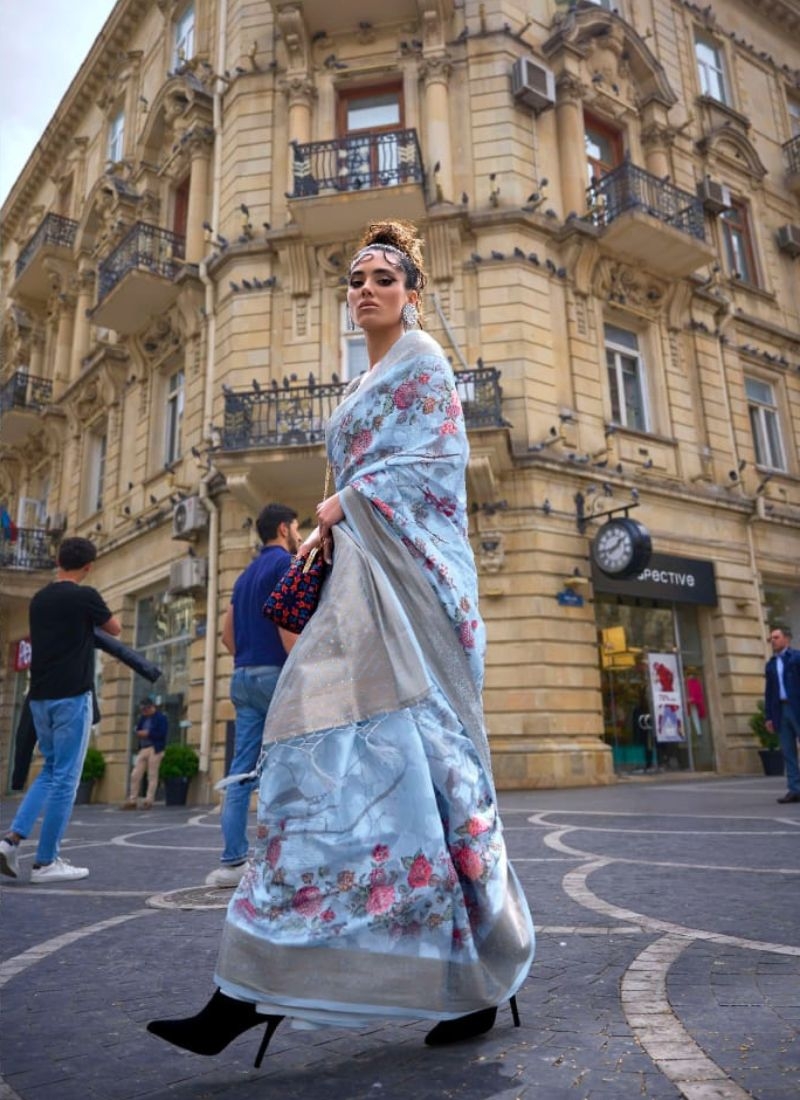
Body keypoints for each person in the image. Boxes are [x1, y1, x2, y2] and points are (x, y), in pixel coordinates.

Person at [148, 219, 534, 1064]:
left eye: (383, 278)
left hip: (415, 596)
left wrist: (341, 505)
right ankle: (251, 983)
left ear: (412, 294)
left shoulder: (426, 363)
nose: (366, 289)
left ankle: (474, 976)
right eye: (355, 279)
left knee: (430, 784)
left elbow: (434, 470)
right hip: (363, 588)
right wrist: (345, 512)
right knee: (311, 772)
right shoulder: (363, 380)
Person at [0, 537, 121, 883]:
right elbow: (115, 628)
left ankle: (11, 840)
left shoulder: (39, 599)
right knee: (67, 778)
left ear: (57, 560)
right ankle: (46, 862)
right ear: (88, 567)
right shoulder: (86, 596)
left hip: (39, 697)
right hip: (72, 696)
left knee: (51, 770)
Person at [205, 503, 300, 887]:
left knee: (241, 772)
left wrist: (250, 662)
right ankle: (289, 855)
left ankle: (233, 862)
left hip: (242, 676)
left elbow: (227, 636)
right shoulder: (285, 566)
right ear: (282, 529)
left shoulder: (243, 577)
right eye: (296, 527)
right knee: (293, 762)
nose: (298, 533)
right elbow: (285, 621)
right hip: (275, 674)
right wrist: (301, 669)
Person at [764, 625, 800, 804]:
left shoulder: (796, 658)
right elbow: (769, 692)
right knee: (788, 751)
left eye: (776, 637)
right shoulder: (771, 664)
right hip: (781, 709)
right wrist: (769, 716)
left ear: (786, 639)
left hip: (797, 707)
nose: (773, 641)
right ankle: (795, 789)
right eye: (771, 638)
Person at [121, 697, 170, 810]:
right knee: (135, 774)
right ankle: (133, 799)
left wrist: (148, 733)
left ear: (152, 707)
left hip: (155, 748)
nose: (144, 711)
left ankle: (149, 800)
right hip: (143, 748)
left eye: (146, 709)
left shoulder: (161, 718)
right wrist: (139, 733)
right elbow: (138, 729)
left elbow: (162, 734)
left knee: (152, 775)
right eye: (143, 709)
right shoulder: (143, 718)